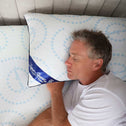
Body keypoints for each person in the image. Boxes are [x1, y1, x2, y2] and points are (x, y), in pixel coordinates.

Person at [28, 29, 126, 126]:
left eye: (75, 58)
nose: (67, 62)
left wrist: (55, 92)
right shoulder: (79, 86)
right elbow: (53, 115)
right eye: (69, 56)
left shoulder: (105, 93)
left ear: (96, 64)